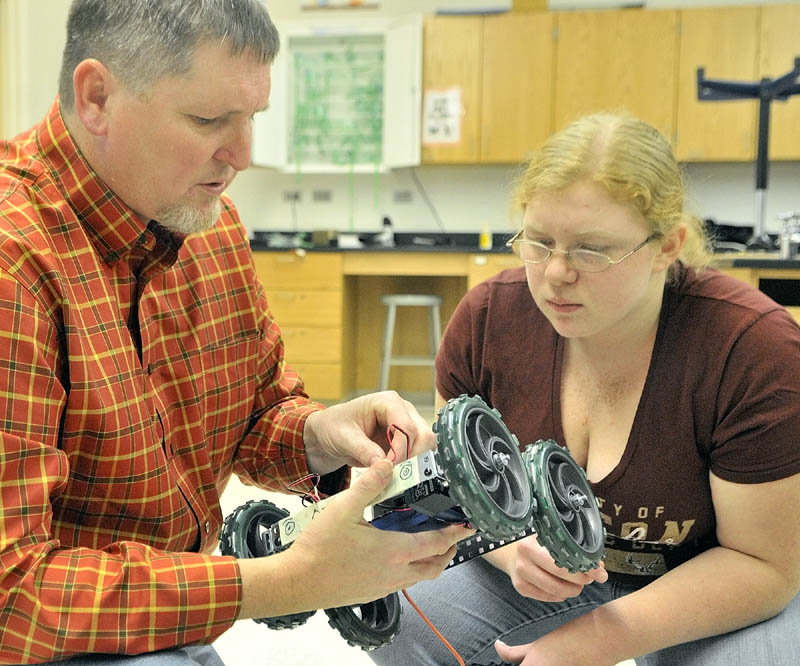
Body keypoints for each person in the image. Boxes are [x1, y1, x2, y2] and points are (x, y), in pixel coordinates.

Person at [0, 1, 472, 664]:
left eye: (251, 118)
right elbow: (12, 597)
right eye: (208, 120)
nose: (244, 155)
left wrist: (318, 435)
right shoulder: (14, 258)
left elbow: (255, 412)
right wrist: (290, 580)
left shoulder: (209, 224)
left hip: (176, 614)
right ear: (97, 97)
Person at [370, 113, 800, 666]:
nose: (555, 274)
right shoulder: (487, 321)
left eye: (592, 250)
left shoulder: (751, 348)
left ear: (669, 245)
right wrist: (506, 549)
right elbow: (456, 488)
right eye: (539, 241)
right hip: (555, 574)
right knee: (400, 616)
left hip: (708, 574)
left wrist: (603, 638)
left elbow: (764, 564)